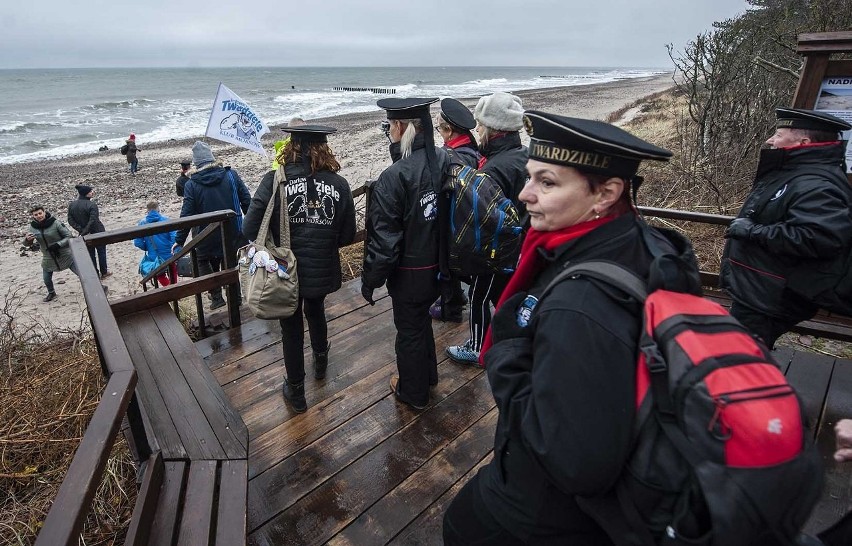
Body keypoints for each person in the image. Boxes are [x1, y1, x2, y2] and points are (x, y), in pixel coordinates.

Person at [442, 111, 700, 544]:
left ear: (606, 193)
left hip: (544, 513)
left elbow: (577, 462)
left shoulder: (580, 304)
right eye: (530, 178)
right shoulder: (647, 245)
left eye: (548, 182)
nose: (525, 194)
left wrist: (505, 352)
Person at [243, 125, 355, 413]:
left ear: (290, 147)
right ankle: (320, 363)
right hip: (321, 270)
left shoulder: (274, 180)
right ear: (324, 149)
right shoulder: (340, 185)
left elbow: (249, 228)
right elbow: (346, 236)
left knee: (290, 327)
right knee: (315, 310)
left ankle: (296, 392)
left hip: (285, 270)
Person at [720, 108, 852, 349]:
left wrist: (752, 231)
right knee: (739, 353)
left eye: (779, 134)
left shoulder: (816, 183)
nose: (771, 139)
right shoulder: (795, 172)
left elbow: (819, 237)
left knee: (738, 356)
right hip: (761, 288)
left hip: (771, 294)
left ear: (803, 142)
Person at [361, 97, 449, 410]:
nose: (388, 132)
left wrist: (369, 281)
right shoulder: (446, 160)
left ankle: (414, 393)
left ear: (400, 128)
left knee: (409, 330)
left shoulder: (394, 177)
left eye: (390, 126)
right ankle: (429, 376)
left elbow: (385, 243)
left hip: (411, 274)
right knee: (421, 322)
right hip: (444, 267)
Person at [446, 91, 528, 366]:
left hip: (498, 250)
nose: (476, 129)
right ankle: (507, 340)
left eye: (480, 125)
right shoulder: (521, 155)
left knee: (480, 296)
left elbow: (487, 217)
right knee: (504, 296)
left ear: (494, 130)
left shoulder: (496, 168)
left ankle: (479, 347)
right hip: (519, 244)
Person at [173, 141, 251, 310]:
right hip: (233, 233)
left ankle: (216, 297)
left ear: (196, 164)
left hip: (206, 236)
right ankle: (235, 297)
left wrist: (179, 241)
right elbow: (247, 203)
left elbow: (186, 215)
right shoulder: (231, 175)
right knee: (231, 264)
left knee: (203, 260)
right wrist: (254, 228)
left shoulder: (191, 185)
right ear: (212, 158)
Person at [429, 97, 480, 323]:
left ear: (449, 131)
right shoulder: (471, 148)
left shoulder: (456, 157)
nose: (439, 133)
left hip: (455, 221)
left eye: (440, 128)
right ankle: (455, 297)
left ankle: (452, 307)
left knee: (448, 262)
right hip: (465, 218)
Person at [25, 205, 79, 302]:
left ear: (44, 212)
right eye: (36, 214)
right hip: (48, 256)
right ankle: (51, 293)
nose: (39, 216)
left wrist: (58, 244)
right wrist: (28, 240)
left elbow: (69, 236)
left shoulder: (55, 223)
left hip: (64, 254)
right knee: (46, 278)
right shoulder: (33, 227)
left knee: (81, 272)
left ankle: (97, 286)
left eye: (40, 213)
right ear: (33, 216)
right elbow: (26, 243)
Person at [67, 184, 111, 279]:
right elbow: (93, 220)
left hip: (84, 233)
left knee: (91, 254)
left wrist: (81, 230)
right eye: (90, 191)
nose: (92, 192)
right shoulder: (91, 205)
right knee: (101, 252)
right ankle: (104, 272)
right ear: (86, 194)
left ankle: (95, 273)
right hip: (97, 231)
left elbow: (70, 220)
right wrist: (85, 231)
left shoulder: (72, 205)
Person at [134, 200, 178, 286]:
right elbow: (174, 236)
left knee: (159, 274)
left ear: (147, 211)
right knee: (172, 270)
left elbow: (137, 242)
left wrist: (147, 247)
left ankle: (168, 288)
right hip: (169, 253)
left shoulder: (142, 223)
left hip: (154, 255)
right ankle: (174, 288)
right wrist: (173, 248)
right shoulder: (166, 220)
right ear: (158, 209)